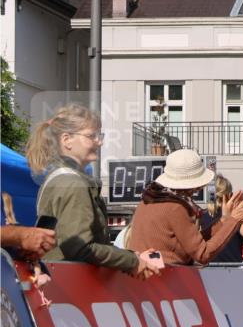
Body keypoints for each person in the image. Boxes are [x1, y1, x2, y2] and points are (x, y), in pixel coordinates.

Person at [27, 104, 162, 278]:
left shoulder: (60, 178)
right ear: (67, 140)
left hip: (62, 283)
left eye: (99, 135)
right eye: (92, 136)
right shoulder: (73, 184)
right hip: (71, 286)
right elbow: (80, 248)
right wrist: (132, 261)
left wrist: (132, 257)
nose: (100, 141)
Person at [128, 149, 243, 265]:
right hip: (165, 281)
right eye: (198, 184)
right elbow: (203, 254)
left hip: (148, 281)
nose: (200, 188)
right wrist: (234, 220)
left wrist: (224, 220)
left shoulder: (150, 201)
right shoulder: (175, 207)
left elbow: (194, 243)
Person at [198, 173, 243, 264]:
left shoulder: (201, 216)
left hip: (208, 268)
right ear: (229, 194)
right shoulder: (234, 215)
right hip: (234, 267)